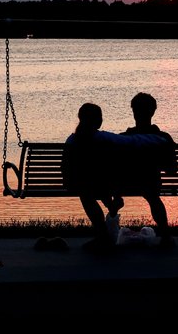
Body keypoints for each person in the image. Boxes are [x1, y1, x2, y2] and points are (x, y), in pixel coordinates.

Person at [63, 102, 170, 252]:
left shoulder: (71, 140)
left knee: (86, 191)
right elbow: (133, 141)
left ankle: (103, 234)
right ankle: (110, 209)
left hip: (80, 184)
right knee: (98, 180)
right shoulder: (103, 138)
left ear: (80, 118)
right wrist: (161, 140)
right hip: (101, 184)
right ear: (99, 121)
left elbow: (66, 166)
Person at [121, 92, 177, 248]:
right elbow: (172, 170)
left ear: (133, 112)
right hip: (151, 183)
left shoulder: (124, 137)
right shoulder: (163, 137)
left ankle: (105, 233)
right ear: (153, 112)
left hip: (124, 183)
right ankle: (165, 235)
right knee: (152, 194)